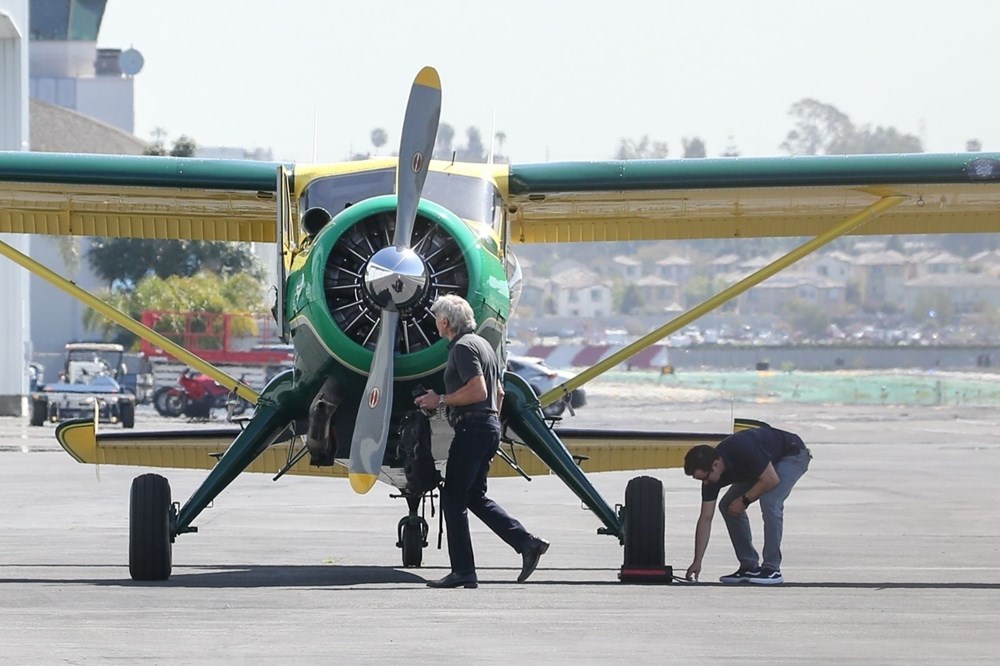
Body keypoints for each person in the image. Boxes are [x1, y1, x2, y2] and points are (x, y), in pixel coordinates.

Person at [414, 294, 549, 589]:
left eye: (437, 318)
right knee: (474, 497)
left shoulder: (462, 348)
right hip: (487, 427)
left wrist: (441, 400)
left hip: (472, 428)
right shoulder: (484, 346)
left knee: (452, 497)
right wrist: (491, 423)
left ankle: (463, 570)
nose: (435, 323)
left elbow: (478, 390)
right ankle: (527, 543)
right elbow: (498, 393)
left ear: (446, 322)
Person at [683, 424, 811, 585]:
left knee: (770, 502)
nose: (706, 482)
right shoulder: (711, 476)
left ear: (715, 464)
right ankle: (749, 566)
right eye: (701, 480)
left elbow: (772, 480)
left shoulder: (742, 449)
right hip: (762, 466)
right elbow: (705, 518)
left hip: (792, 454)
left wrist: (745, 500)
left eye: (706, 477)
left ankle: (772, 569)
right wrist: (697, 561)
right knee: (727, 505)